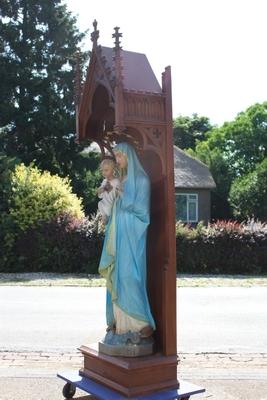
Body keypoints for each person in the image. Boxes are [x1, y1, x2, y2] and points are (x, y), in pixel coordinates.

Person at [99, 142, 155, 350]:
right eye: (116, 157)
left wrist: (122, 204)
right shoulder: (116, 180)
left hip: (131, 239)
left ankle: (140, 325)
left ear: (130, 157)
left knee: (131, 277)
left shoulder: (142, 180)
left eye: (120, 157)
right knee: (116, 278)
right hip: (116, 236)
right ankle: (120, 326)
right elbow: (108, 203)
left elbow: (143, 216)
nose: (117, 161)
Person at [97, 158, 121, 225]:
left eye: (106, 170)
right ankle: (104, 216)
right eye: (102, 171)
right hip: (105, 204)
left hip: (112, 205)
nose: (104, 173)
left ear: (113, 170)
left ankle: (106, 217)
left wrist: (118, 191)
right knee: (99, 203)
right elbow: (99, 194)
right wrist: (102, 189)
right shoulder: (104, 181)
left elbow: (120, 192)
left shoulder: (116, 181)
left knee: (108, 208)